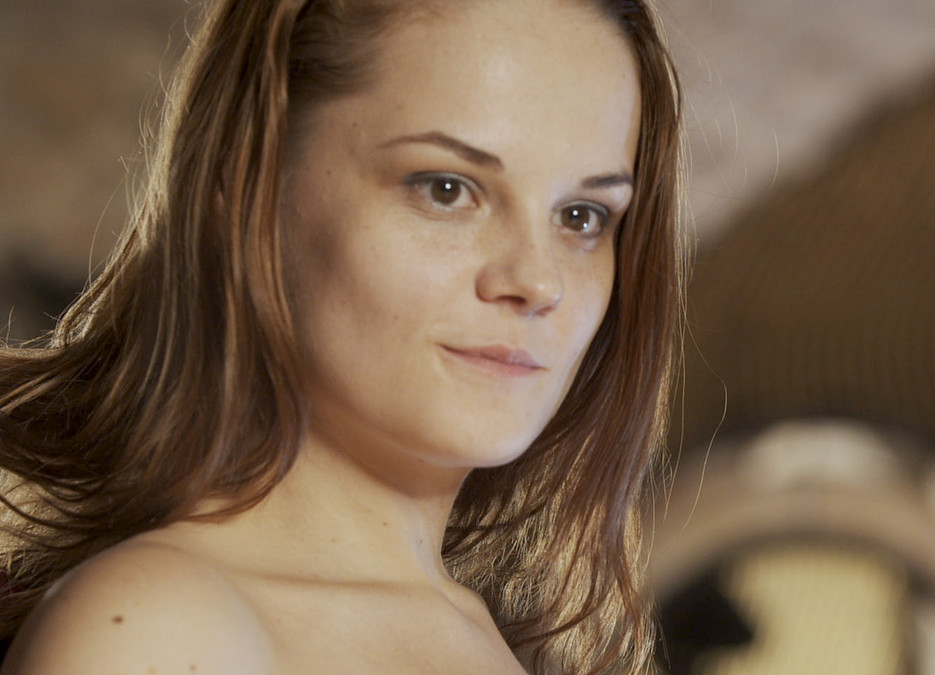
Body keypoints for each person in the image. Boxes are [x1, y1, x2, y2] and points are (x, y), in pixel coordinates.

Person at [0, 0, 684, 672]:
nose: (538, 280)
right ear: (250, 192)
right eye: (446, 189)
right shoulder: (160, 628)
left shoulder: (500, 639)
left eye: (582, 216)